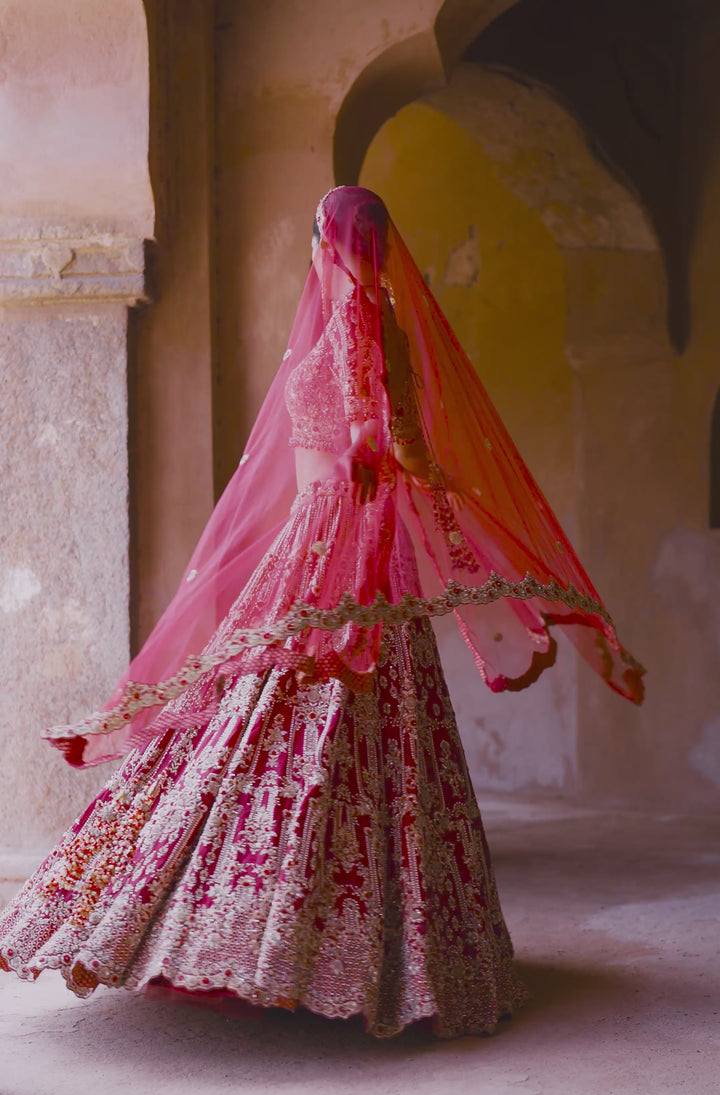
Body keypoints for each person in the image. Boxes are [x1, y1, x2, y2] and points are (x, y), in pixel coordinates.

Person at [0, 187, 643, 1038]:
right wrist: (443, 489)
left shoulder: (352, 334)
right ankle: (311, 945)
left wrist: (411, 478)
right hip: (344, 550)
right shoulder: (379, 331)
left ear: (328, 245)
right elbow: (398, 445)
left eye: (316, 235)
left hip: (328, 550)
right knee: (334, 731)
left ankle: (243, 938)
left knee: (261, 727)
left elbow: (374, 441)